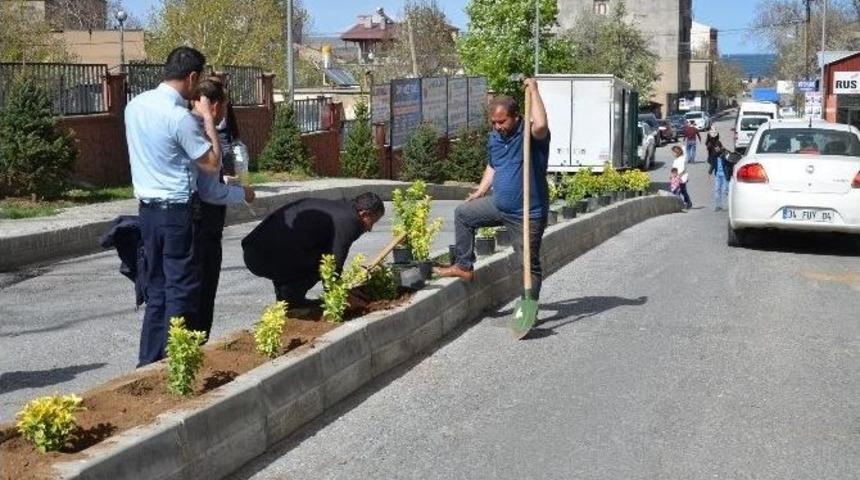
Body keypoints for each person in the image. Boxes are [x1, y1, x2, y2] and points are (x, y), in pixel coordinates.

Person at [125, 46, 222, 366]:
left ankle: (147, 363)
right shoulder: (179, 117)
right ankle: (174, 364)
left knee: (156, 292)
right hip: (178, 214)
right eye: (199, 81)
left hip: (148, 213)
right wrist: (208, 119)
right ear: (192, 77)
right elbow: (211, 163)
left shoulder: (134, 106)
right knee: (182, 290)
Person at [434, 79, 550, 300]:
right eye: (494, 122)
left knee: (528, 263)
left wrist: (534, 91)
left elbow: (542, 125)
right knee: (463, 214)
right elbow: (493, 165)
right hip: (499, 205)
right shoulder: (495, 137)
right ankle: (464, 266)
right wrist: (480, 190)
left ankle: (528, 305)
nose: (497, 126)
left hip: (527, 214)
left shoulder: (530, 135)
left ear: (516, 117)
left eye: (502, 121)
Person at [189, 78, 256, 339]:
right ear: (215, 106)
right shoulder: (202, 130)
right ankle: (196, 344)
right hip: (203, 223)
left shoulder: (185, 124)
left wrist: (223, 180)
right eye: (225, 108)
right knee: (203, 291)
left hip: (187, 219)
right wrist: (244, 194)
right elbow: (211, 192)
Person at [241, 193, 385, 307]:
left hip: (255, 250)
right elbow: (334, 262)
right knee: (323, 261)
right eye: (372, 222)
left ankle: (288, 297)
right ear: (364, 214)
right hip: (264, 257)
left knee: (309, 247)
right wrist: (341, 298)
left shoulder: (341, 208)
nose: (370, 229)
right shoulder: (350, 221)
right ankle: (291, 297)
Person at [707, 138, 734, 211]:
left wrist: (732, 172)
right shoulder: (714, 154)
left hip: (725, 174)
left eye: (717, 148)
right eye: (715, 148)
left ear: (720, 147)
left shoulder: (726, 153)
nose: (716, 149)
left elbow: (731, 162)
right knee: (717, 189)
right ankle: (718, 206)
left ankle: (729, 205)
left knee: (726, 190)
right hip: (718, 175)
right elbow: (713, 164)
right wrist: (710, 172)